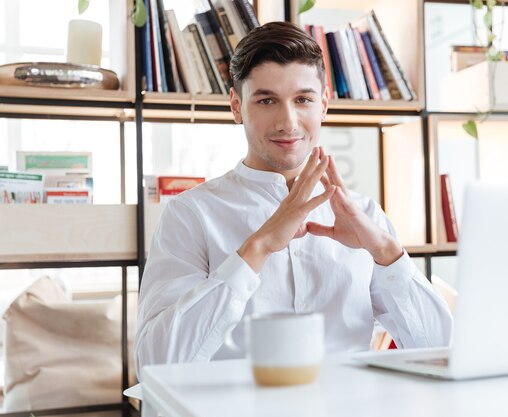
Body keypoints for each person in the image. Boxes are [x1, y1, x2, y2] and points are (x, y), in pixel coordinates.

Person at [135, 21, 452, 377]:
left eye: (303, 99)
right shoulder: (190, 214)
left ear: (324, 105)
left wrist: (386, 253)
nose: (288, 122)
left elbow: (441, 349)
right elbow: (155, 363)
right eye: (267, 100)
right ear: (236, 106)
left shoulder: (363, 216)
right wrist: (257, 248)